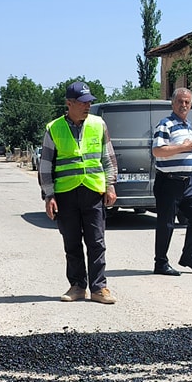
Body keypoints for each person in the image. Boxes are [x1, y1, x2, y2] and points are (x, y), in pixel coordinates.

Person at [38, 81, 118, 303]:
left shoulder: (98, 125)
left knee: (96, 242)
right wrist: (49, 195)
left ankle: (99, 288)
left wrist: (110, 185)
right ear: (69, 103)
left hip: (93, 191)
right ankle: (77, 286)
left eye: (89, 102)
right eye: (82, 103)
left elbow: (108, 158)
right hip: (66, 194)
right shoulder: (53, 128)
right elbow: (45, 165)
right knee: (71, 243)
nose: (87, 106)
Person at [151, 87, 192, 275]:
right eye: (180, 101)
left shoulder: (190, 127)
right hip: (168, 182)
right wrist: (180, 148)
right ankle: (160, 264)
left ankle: (189, 257)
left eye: (187, 102)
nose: (184, 105)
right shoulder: (165, 124)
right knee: (166, 224)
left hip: (188, 183)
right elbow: (157, 151)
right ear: (173, 103)